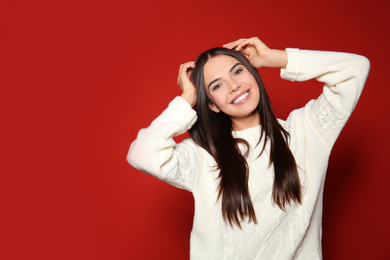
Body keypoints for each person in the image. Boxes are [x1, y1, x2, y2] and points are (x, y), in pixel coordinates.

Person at [127, 37, 370, 259]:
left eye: (238, 71)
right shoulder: (204, 156)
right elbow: (142, 154)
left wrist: (273, 58)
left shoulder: (306, 131)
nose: (233, 86)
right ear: (212, 105)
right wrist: (187, 99)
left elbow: (355, 69)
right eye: (217, 86)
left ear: (254, 74)